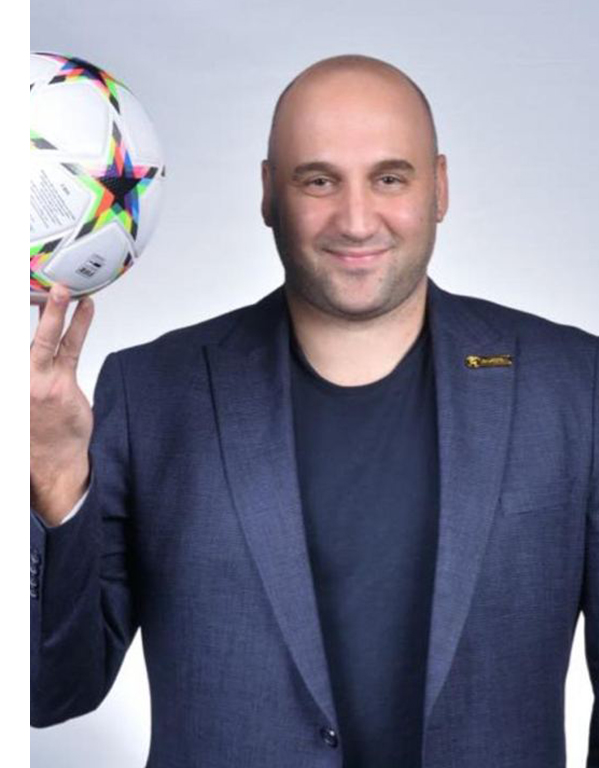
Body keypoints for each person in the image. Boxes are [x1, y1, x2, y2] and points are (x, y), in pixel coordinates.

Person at [30, 55, 599, 768]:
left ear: (440, 188)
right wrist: (55, 475)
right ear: (269, 194)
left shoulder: (572, 387)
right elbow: (48, 692)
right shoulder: (153, 393)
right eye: (319, 181)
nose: (356, 221)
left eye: (389, 178)